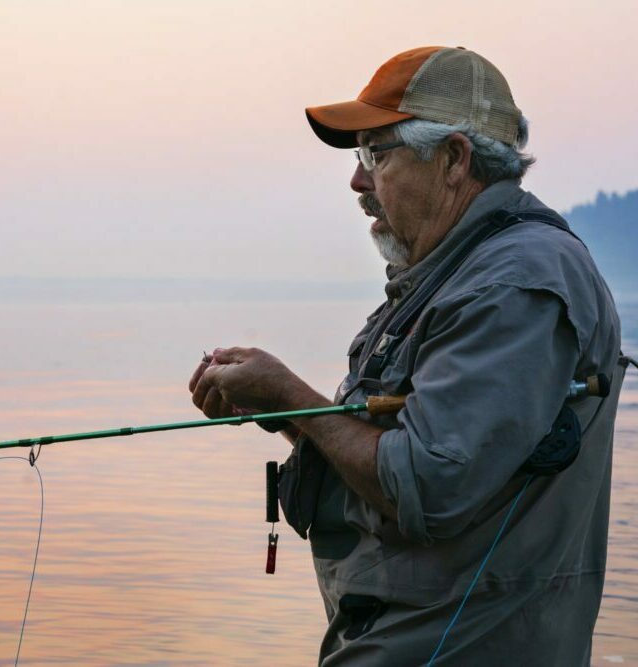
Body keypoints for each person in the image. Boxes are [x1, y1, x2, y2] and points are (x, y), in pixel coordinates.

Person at [188, 46, 625, 665]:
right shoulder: (456, 272)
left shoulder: (514, 283)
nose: (358, 181)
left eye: (375, 153)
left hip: (452, 644)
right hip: (400, 635)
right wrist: (284, 414)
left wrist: (295, 397)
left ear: (452, 159)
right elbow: (392, 450)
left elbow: (428, 482)